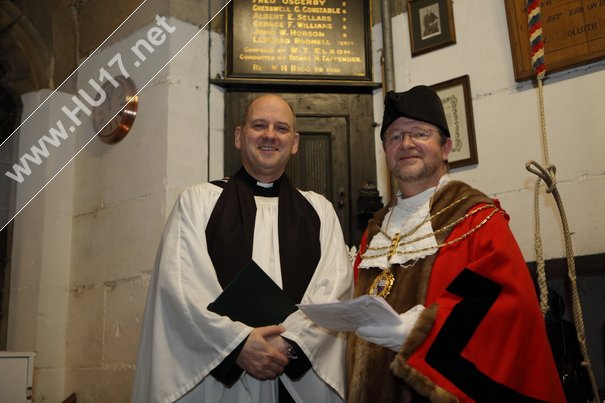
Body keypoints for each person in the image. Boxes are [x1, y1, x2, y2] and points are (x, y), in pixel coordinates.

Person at [346, 86, 566, 402]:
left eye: (419, 133)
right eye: (394, 137)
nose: (406, 143)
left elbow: (503, 307)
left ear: (446, 147)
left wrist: (419, 331)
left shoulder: (477, 218)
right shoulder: (375, 231)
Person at [132, 94, 353, 402]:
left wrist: (288, 345)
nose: (270, 135)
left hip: (295, 381)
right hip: (221, 384)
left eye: (281, 128)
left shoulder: (319, 210)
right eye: (259, 125)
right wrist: (236, 345)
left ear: (295, 142)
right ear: (239, 136)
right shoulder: (199, 202)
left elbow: (335, 290)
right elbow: (180, 289)